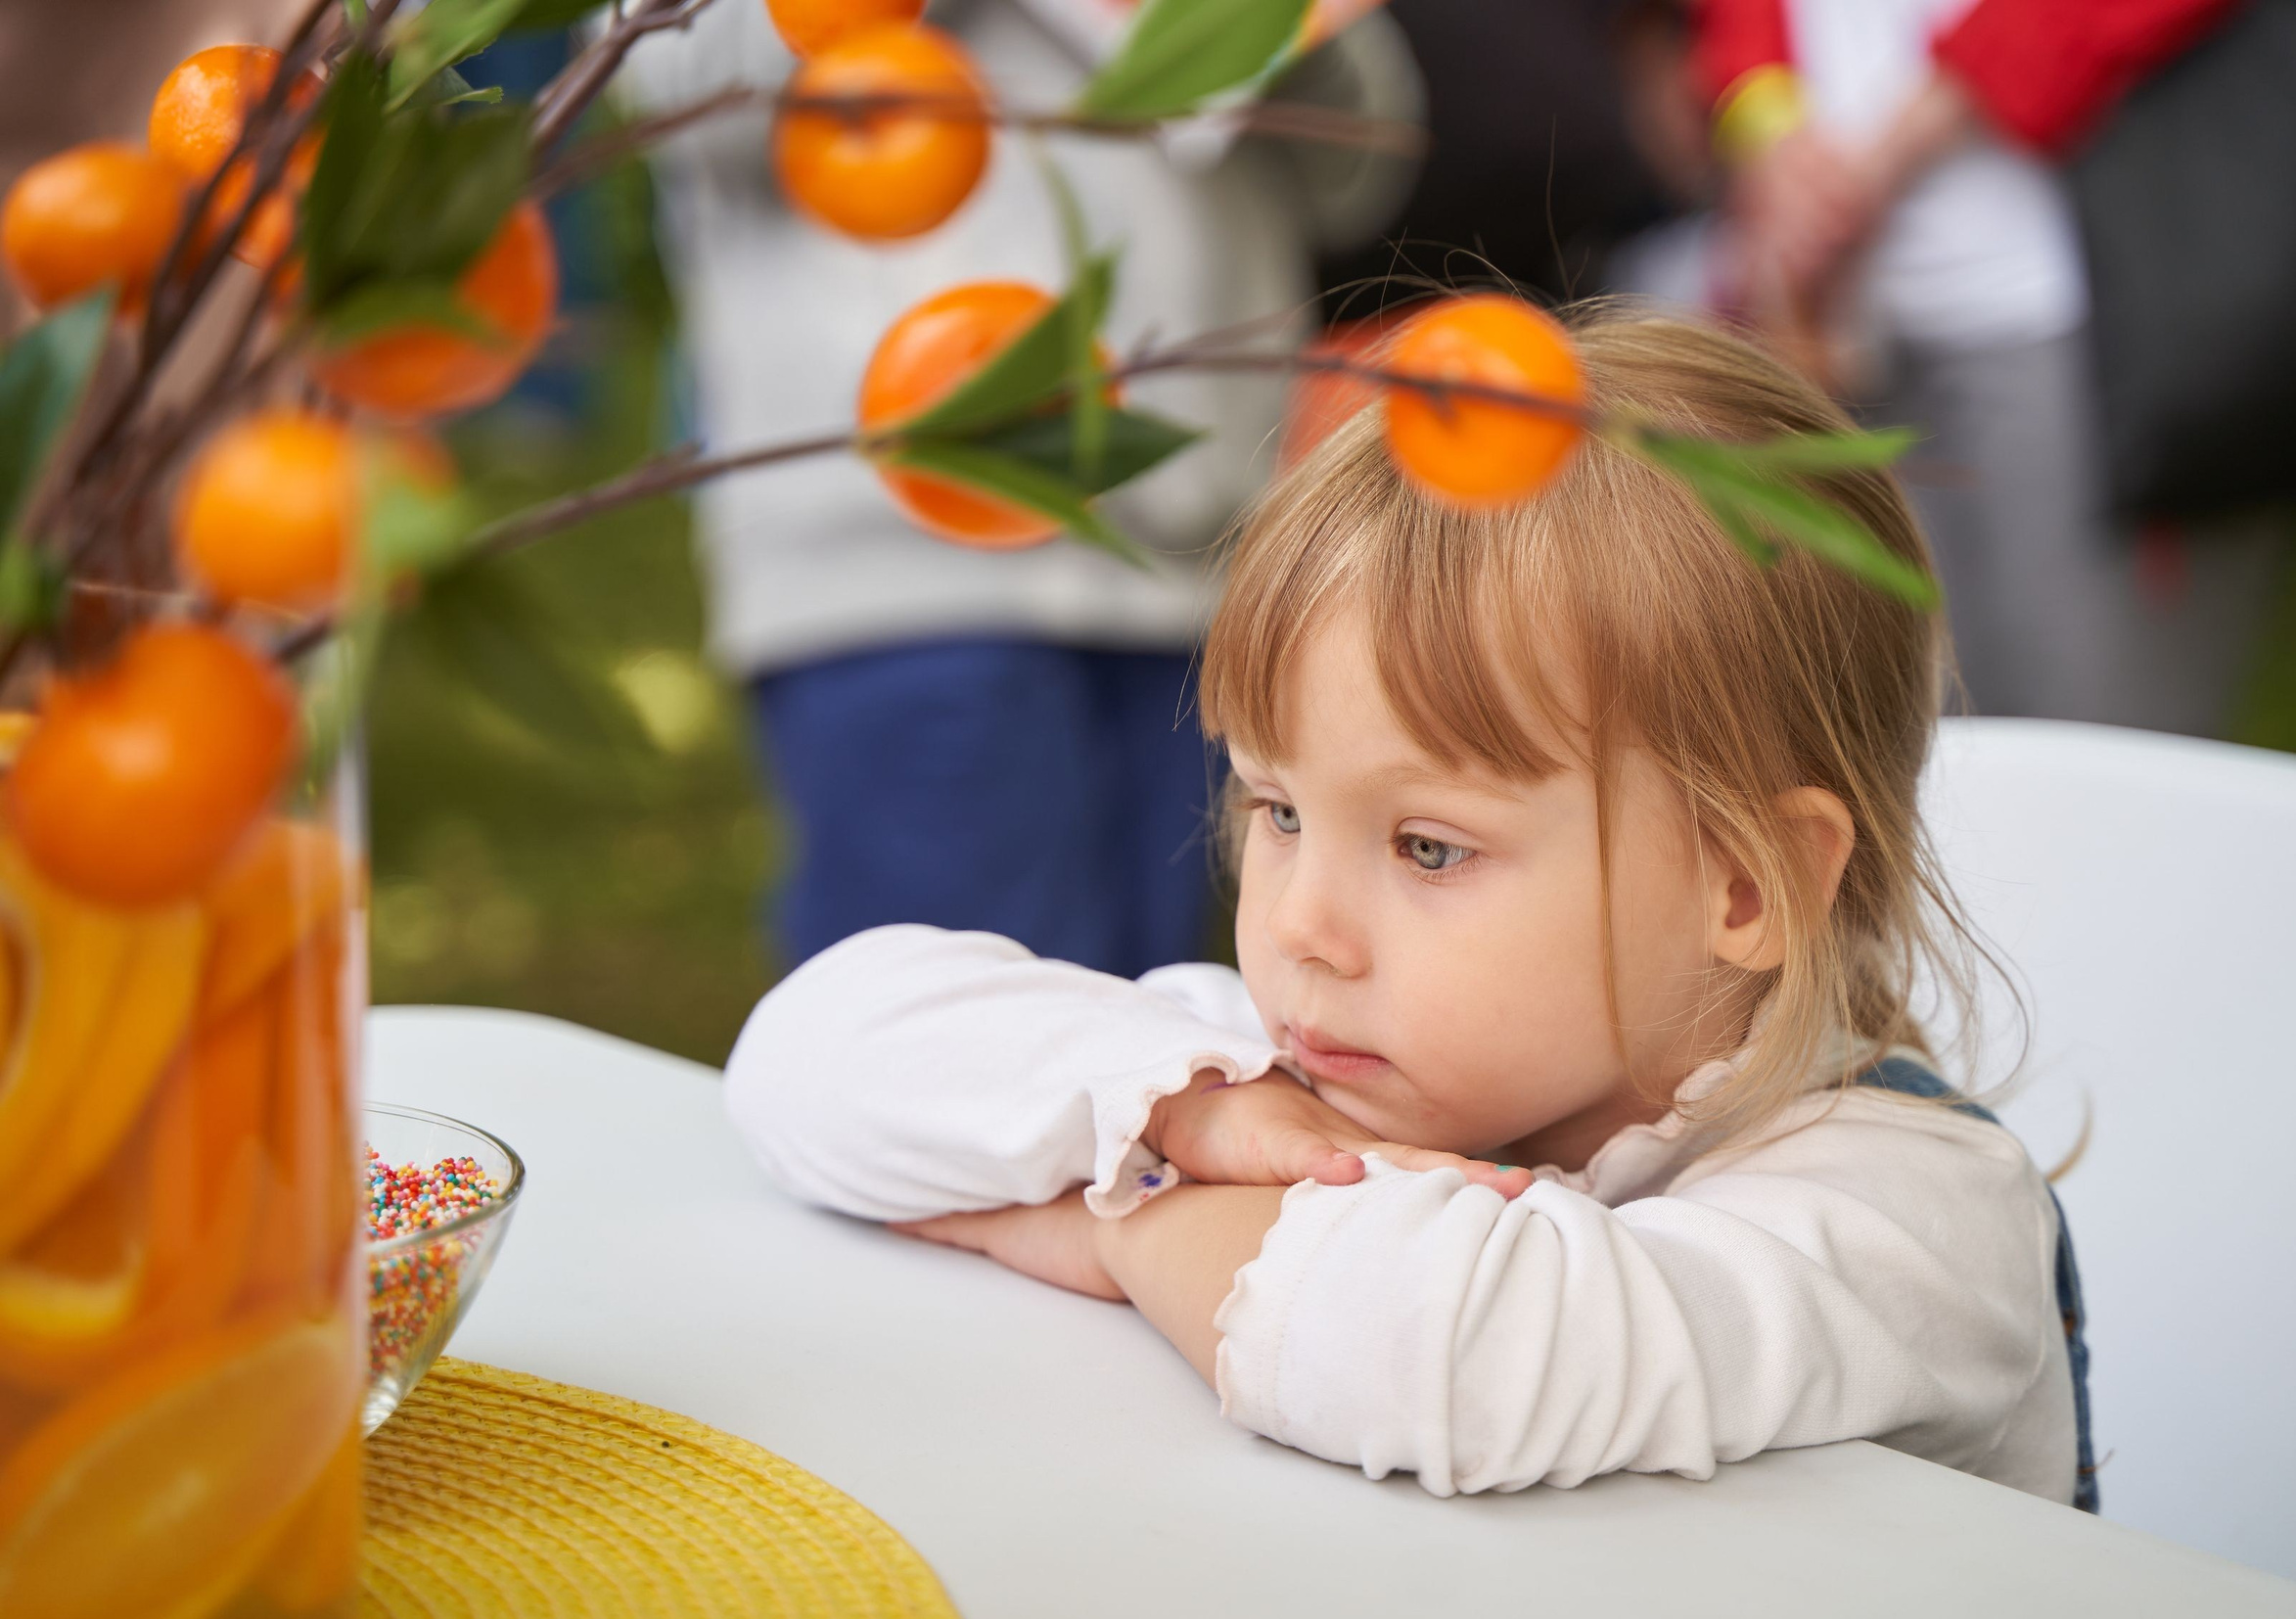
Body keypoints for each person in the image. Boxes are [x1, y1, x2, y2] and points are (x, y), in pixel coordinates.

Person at [721, 311, 2095, 1507]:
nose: (1303, 926)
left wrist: (1110, 1218)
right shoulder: (1267, 1093)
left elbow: (1431, 1353)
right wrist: (1180, 1124)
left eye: (1429, 847)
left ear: (1751, 885)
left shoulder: (1914, 1213)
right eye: (1278, 810)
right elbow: (808, 1052)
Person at [623, 0, 1419, 976]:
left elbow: (1359, 162)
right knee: (950, 1069)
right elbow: (671, 80)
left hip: (1192, 565)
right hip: (905, 568)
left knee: (1151, 1058)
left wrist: (1273, 35)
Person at [1618, 0, 2270, 736]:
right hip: (1842, 325)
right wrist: (1768, 131)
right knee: (1894, 747)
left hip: (2067, 314)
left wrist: (1907, 136)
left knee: (2096, 739)